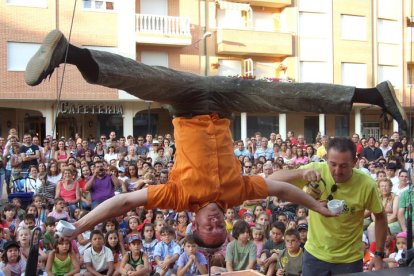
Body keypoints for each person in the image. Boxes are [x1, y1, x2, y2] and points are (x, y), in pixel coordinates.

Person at [26, 29, 406, 249]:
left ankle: (69, 53)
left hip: (186, 100)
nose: (215, 223)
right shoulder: (236, 193)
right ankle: (374, 95)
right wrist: (319, 208)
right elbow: (283, 190)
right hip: (225, 101)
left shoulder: (177, 197)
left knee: (139, 77)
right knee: (284, 95)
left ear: (195, 222)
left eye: (208, 228)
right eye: (219, 229)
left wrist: (79, 227)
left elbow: (123, 201)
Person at [269, 137, 387, 274]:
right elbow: (270, 181)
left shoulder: (367, 184)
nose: (337, 171)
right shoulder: (315, 170)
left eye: (343, 166)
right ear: (326, 159)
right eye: (333, 164)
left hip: (349, 260)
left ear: (355, 162)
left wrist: (379, 255)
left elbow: (380, 217)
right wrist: (300, 173)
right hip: (315, 256)